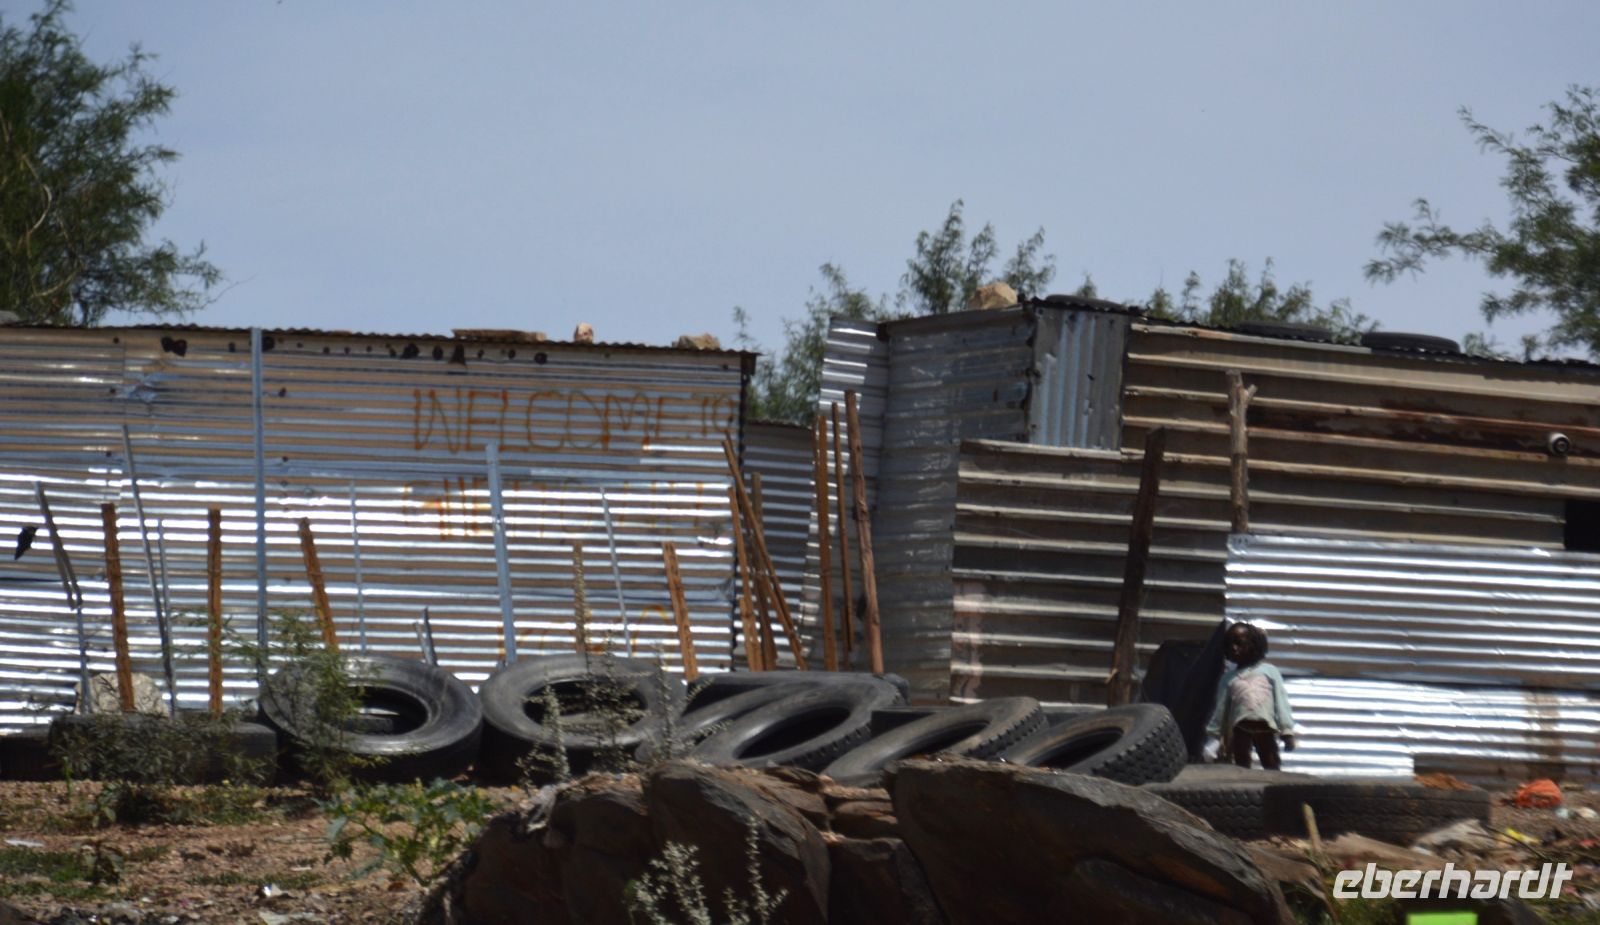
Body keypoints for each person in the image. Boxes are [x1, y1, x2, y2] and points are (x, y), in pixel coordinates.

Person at [1206, 622, 1296, 770]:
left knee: (1271, 763)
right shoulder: (1228, 678)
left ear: (1255, 645)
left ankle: (1275, 790)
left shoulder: (1269, 671)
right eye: (1229, 645)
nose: (1234, 648)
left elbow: (1281, 703)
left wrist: (1287, 732)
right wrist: (1213, 739)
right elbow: (1221, 709)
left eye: (1239, 643)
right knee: (1240, 765)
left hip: (1265, 728)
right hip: (1240, 730)